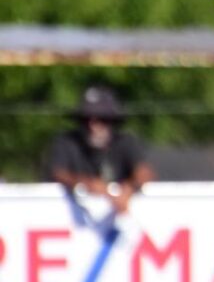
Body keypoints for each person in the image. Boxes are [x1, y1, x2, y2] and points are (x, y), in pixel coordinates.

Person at [45, 85, 154, 214]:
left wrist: (129, 189)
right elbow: (58, 173)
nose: (93, 126)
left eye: (102, 119)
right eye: (86, 120)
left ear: (113, 121)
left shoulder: (126, 141)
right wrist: (85, 183)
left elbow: (144, 172)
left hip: (122, 217)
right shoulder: (67, 142)